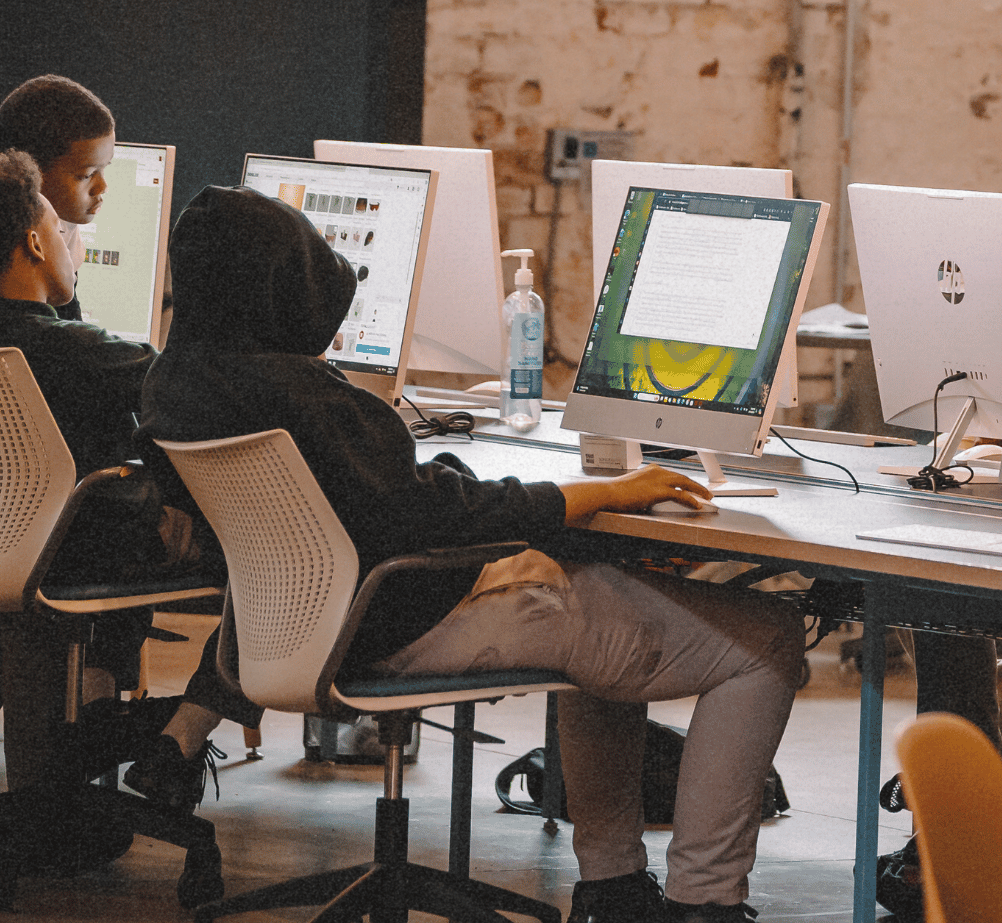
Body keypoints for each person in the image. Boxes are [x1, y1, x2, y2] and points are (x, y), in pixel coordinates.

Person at [140, 185, 802, 923]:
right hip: (411, 616)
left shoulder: (175, 383)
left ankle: (614, 889)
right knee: (766, 637)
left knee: (616, 598)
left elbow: (396, 500)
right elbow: (442, 518)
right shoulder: (309, 400)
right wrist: (600, 493)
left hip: (296, 633)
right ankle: (702, 903)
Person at [0, 153, 255, 818]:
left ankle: (94, 721)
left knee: (136, 516)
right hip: (83, 545)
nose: (74, 246)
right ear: (35, 243)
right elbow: (182, 386)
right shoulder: (75, 349)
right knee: (271, 552)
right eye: (62, 233)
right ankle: (184, 732)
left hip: (0, 546)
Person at [0, 75, 120, 322]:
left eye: (105, 169)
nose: (102, 186)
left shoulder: (65, 224)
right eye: (87, 175)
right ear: (29, 176)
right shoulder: (2, 258)